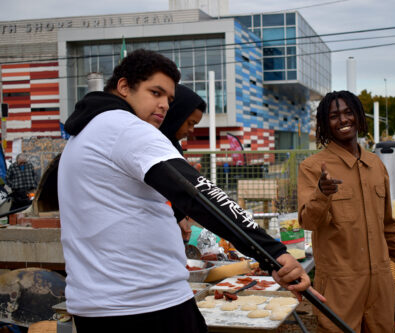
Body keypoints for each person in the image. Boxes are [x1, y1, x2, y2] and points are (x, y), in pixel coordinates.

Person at [58, 49, 324, 333]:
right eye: (155, 93)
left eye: (169, 99)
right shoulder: (126, 128)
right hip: (145, 305)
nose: (163, 106)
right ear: (124, 87)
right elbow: (201, 196)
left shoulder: (84, 134)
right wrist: (273, 254)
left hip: (99, 305)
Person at [298, 90, 395, 333]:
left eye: (348, 112)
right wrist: (322, 193)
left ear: (358, 115)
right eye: (334, 116)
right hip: (339, 287)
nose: (343, 120)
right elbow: (308, 221)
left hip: (380, 285)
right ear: (325, 123)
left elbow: (388, 226)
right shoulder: (313, 167)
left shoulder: (376, 164)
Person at [159, 84, 206, 242]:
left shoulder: (172, 146)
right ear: (176, 115)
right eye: (190, 123)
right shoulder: (154, 144)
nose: (191, 130)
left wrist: (179, 217)